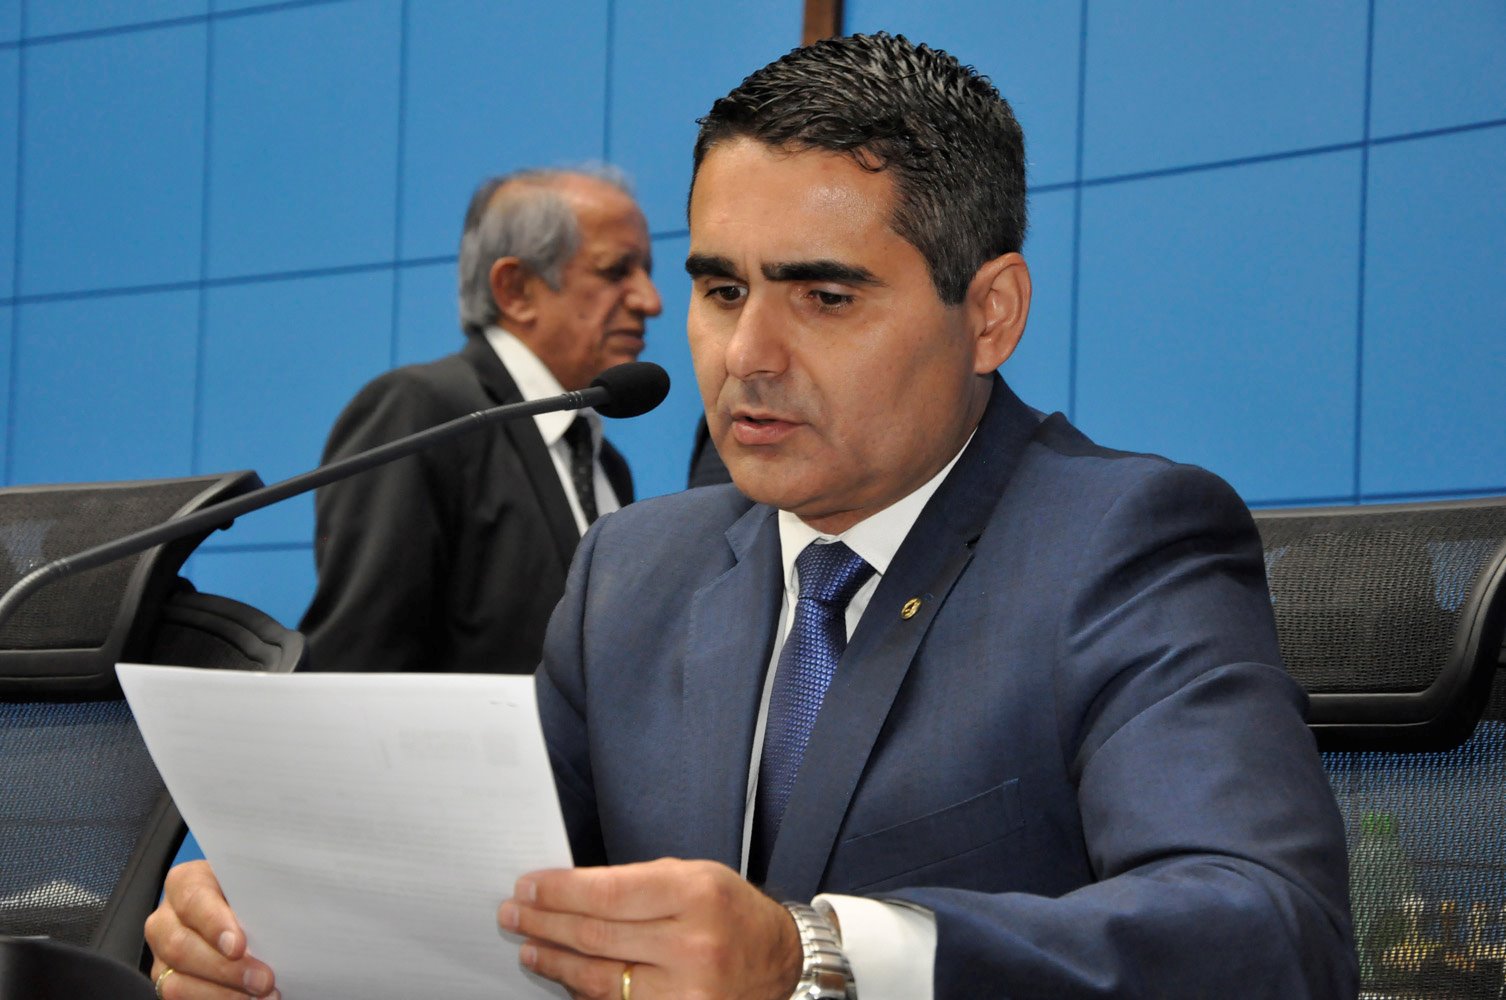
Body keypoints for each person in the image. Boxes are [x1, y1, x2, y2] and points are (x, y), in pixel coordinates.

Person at [144, 34, 1356, 999]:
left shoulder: (1122, 542)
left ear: (990, 313)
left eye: (824, 297)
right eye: (722, 289)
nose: (746, 357)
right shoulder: (633, 569)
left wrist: (821, 953)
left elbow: (1271, 930)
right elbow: (486, 911)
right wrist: (280, 931)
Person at [297, 168, 661, 674]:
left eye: (646, 272)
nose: (651, 301)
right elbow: (358, 658)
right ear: (517, 290)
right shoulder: (422, 414)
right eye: (617, 271)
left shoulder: (604, 461)